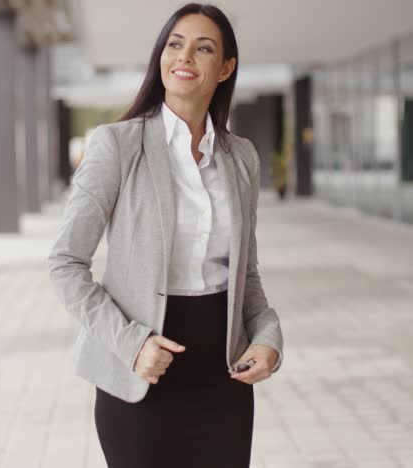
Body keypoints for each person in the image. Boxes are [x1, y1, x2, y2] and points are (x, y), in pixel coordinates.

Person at [47, 3, 284, 467]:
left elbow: (246, 273)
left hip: (224, 378)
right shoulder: (117, 146)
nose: (185, 57)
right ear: (161, 57)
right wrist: (131, 343)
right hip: (140, 374)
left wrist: (269, 338)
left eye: (203, 48)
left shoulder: (242, 158)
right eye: (175, 45)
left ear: (226, 68)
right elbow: (65, 264)